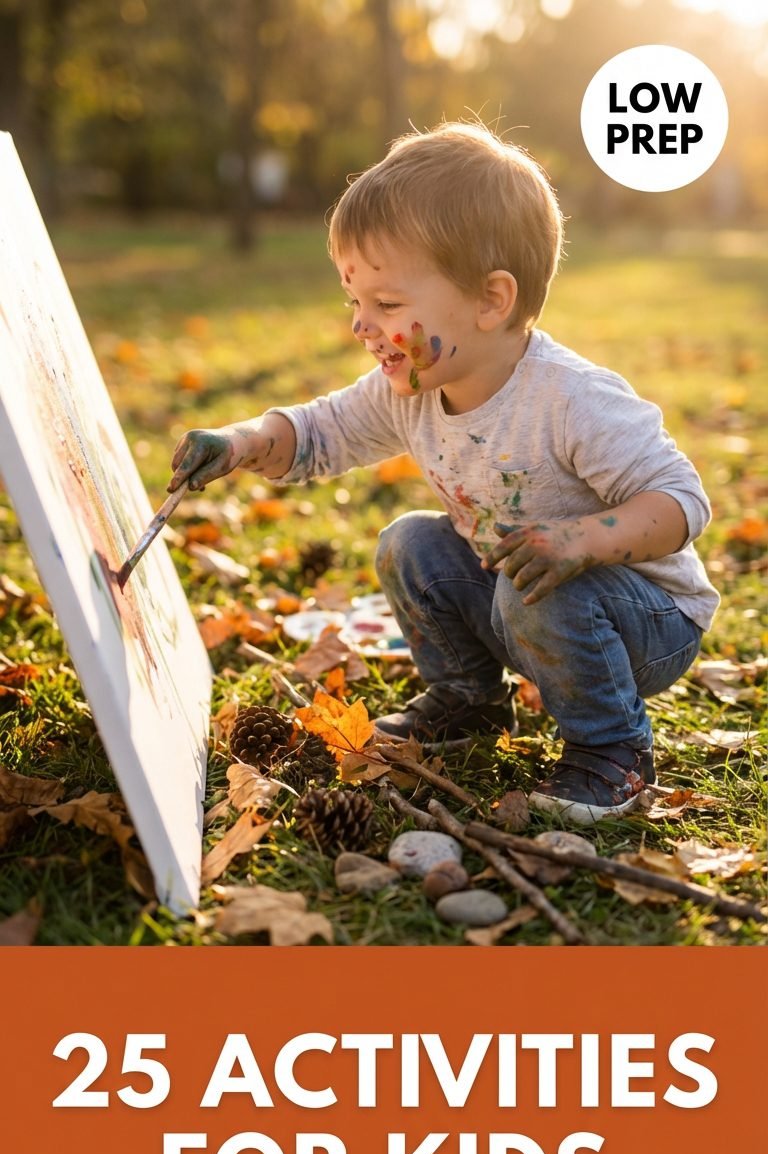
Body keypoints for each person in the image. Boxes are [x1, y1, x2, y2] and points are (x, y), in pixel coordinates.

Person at [168, 121, 719, 825]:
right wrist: (241, 441)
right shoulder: (412, 388)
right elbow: (318, 431)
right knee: (409, 542)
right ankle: (468, 700)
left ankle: (613, 748)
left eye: (387, 305)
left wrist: (580, 540)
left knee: (533, 586)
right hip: (523, 599)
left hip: (646, 621)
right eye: (355, 303)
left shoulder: (573, 400)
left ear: (491, 300)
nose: (361, 326)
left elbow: (681, 501)